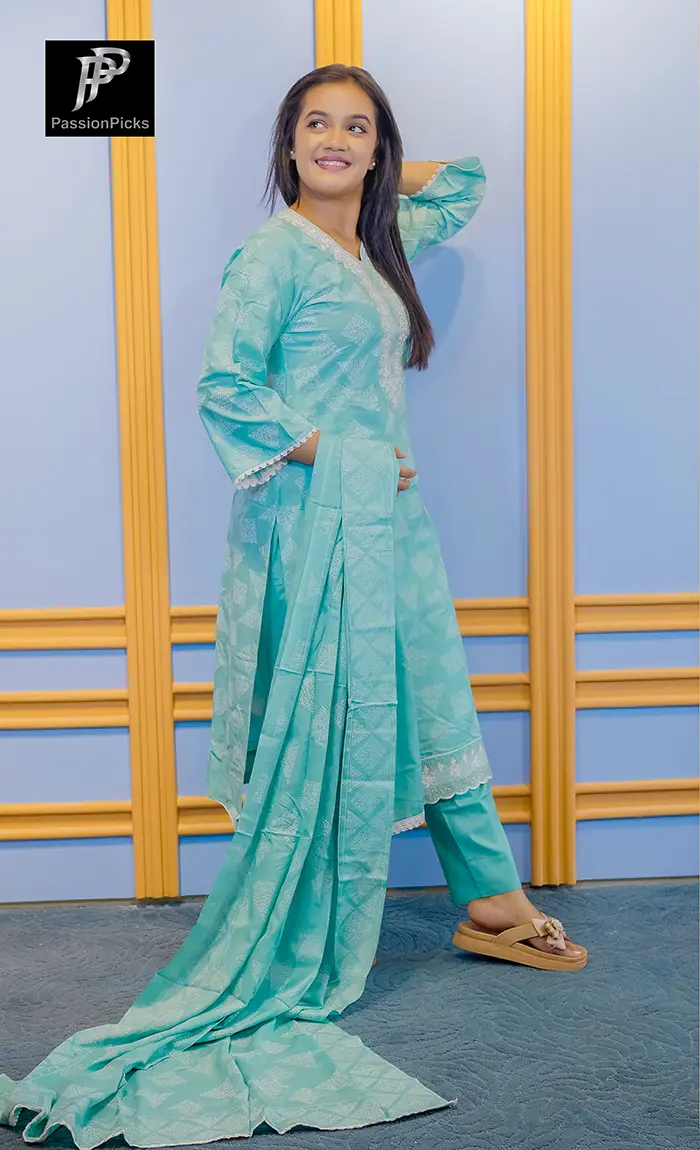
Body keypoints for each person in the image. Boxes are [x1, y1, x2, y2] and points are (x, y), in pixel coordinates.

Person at [0, 64, 586, 1147]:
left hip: (390, 518)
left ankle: (489, 899)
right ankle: (467, 900)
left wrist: (372, 170)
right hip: (315, 519)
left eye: (356, 128)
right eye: (316, 125)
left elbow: (465, 183)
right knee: (346, 715)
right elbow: (226, 385)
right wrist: (335, 454)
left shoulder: (372, 242)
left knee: (436, 697)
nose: (335, 140)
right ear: (285, 145)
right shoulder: (273, 255)